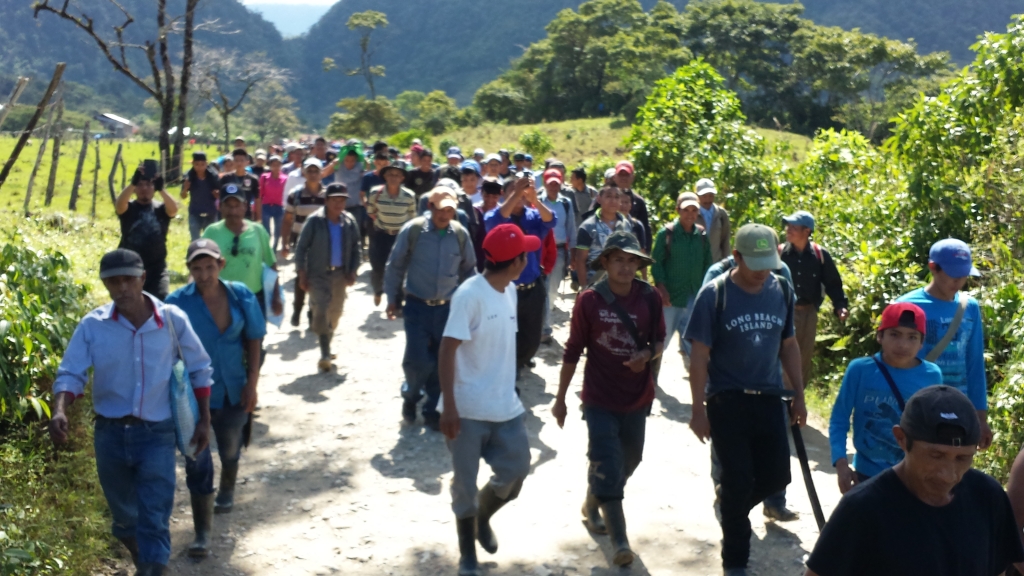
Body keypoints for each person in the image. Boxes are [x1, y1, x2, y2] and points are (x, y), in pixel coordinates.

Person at [49, 249, 214, 576]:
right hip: (109, 435)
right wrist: (59, 410)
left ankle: (153, 567)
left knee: (154, 515)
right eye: (113, 281)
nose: (122, 287)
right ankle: (144, 558)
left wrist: (205, 419)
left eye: (128, 279)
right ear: (106, 284)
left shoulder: (171, 320)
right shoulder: (93, 326)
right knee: (125, 519)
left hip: (157, 433)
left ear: (142, 279)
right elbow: (71, 372)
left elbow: (199, 369)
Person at [684, 223, 807, 576]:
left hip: (770, 397)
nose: (762, 271)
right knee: (739, 478)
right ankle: (735, 561)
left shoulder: (781, 289)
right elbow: (700, 355)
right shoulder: (715, 294)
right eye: (754, 263)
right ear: (735, 256)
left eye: (768, 262)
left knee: (775, 476)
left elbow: (789, 345)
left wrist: (798, 396)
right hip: (727, 399)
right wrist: (697, 409)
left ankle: (732, 503)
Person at [805, 385, 1024, 576]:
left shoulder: (988, 497)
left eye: (962, 458)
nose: (949, 474)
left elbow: (998, 571)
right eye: (936, 455)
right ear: (901, 439)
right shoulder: (862, 510)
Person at [554, 231, 665, 567]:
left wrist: (645, 356)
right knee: (607, 462)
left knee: (629, 462)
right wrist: (560, 398)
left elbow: (659, 341)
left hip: (637, 397)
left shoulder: (649, 298)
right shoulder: (589, 300)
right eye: (619, 259)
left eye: (632, 261)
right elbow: (573, 350)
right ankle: (619, 541)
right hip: (599, 398)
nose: (626, 267)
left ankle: (593, 501)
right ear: (605, 262)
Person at [438, 224, 535, 576]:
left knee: (517, 469)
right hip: (465, 410)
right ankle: (468, 557)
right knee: (464, 482)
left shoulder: (509, 291)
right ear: (515, 262)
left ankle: (482, 516)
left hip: (504, 405)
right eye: (525, 253)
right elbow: (447, 349)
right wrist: (449, 406)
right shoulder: (470, 295)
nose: (528, 257)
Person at [166, 240, 266, 559]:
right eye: (197, 267)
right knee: (197, 458)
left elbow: (254, 339)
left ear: (221, 265)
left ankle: (228, 488)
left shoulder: (240, 295)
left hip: (235, 388)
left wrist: (252, 382)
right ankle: (202, 533)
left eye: (210, 266)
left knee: (231, 447)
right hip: (194, 397)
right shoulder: (176, 304)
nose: (204, 273)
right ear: (190, 270)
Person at [384, 190, 477, 430]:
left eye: (450, 210)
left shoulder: (459, 234)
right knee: (416, 360)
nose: (445, 215)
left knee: (442, 361)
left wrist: (475, 304)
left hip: (448, 309)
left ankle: (433, 408)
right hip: (417, 307)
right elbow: (395, 265)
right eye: (441, 209)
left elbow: (469, 271)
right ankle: (411, 396)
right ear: (430, 207)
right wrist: (392, 297)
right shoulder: (414, 231)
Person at [829, 302, 941, 494]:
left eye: (912, 337)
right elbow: (839, 419)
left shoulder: (932, 375)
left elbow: (933, 429)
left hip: (910, 475)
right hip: (866, 474)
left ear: (922, 342)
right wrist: (841, 463)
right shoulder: (860, 370)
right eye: (894, 334)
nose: (903, 345)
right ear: (880, 336)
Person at [895, 238, 992, 449]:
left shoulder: (970, 307)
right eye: (953, 274)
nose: (958, 281)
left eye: (963, 274)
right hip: (916, 406)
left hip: (958, 406)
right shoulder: (906, 305)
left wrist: (981, 417)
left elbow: (975, 363)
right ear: (933, 268)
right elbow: (892, 361)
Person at [483, 175, 556, 376]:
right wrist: (515, 195)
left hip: (532, 286)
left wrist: (535, 199)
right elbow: (492, 222)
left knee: (532, 336)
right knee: (505, 333)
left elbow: (551, 221)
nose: (520, 197)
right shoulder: (496, 216)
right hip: (505, 288)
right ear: (505, 195)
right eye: (514, 192)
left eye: (523, 193)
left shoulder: (533, 215)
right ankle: (509, 369)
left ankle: (520, 361)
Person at [294, 183, 361, 372]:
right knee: (321, 310)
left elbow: (357, 248)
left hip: (340, 274)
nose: (338, 204)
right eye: (335, 200)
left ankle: (327, 345)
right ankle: (324, 353)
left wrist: (353, 270)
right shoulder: (314, 221)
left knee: (336, 312)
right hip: (318, 274)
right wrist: (302, 273)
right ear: (327, 201)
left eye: (342, 200)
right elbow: (301, 248)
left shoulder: (349, 222)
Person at [779, 210, 849, 387]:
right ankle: (783, 399)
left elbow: (833, 283)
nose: (788, 230)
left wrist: (840, 306)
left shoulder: (819, 255)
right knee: (784, 353)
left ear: (806, 231)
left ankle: (797, 399)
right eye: (788, 226)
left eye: (793, 227)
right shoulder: (780, 254)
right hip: (785, 312)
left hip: (810, 313)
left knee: (804, 356)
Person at [650, 192, 712, 377]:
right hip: (671, 296)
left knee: (694, 342)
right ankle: (651, 377)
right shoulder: (667, 234)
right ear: (678, 210)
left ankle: (701, 380)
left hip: (694, 296)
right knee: (662, 338)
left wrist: (706, 290)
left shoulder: (701, 235)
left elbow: (708, 264)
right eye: (686, 210)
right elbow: (656, 262)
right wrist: (661, 287)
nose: (690, 214)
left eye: (694, 210)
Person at [202, 183, 282, 321]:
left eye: (237, 205)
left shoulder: (258, 231)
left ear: (245, 206)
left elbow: (271, 264)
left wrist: (276, 296)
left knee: (256, 339)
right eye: (228, 206)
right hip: (222, 299)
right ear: (220, 206)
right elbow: (200, 264)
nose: (233, 211)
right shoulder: (211, 232)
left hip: (254, 298)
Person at [116, 163, 178, 300]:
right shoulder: (129, 208)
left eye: (149, 184)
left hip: (157, 268)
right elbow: (119, 205)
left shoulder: (161, 209)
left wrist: (162, 189)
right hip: (130, 266)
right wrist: (132, 183)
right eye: (140, 185)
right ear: (135, 189)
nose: (144, 188)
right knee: (131, 302)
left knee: (161, 299)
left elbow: (173, 210)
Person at [282, 159, 327, 326]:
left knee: (318, 278)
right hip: (301, 241)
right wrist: (285, 243)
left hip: (322, 243)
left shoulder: (328, 194)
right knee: (301, 274)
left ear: (321, 173)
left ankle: (311, 313)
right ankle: (297, 309)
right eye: (310, 171)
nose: (313, 174)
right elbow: (287, 219)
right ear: (304, 173)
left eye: (316, 171)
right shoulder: (296, 194)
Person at [366, 163, 417, 307]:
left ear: (402, 178)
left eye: (397, 175)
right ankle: (377, 290)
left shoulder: (409, 196)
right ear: (385, 177)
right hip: (381, 236)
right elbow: (371, 212)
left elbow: (412, 217)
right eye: (390, 174)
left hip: (400, 237)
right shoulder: (375, 193)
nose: (393, 178)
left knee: (399, 269)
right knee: (378, 268)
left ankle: (397, 302)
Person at [539, 168, 577, 344]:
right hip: (540, 250)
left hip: (560, 251)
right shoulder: (538, 201)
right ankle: (545, 328)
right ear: (545, 183)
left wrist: (574, 253)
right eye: (550, 183)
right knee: (543, 289)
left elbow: (571, 227)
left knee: (552, 290)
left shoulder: (566, 203)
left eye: (556, 183)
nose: (553, 186)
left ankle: (546, 316)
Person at [574, 186, 632, 290]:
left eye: (617, 197)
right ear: (599, 199)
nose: (613, 200)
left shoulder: (626, 224)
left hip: (622, 284)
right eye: (609, 196)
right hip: (596, 286)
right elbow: (580, 260)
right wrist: (584, 287)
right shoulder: (588, 226)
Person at [611, 161, 652, 250]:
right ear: (614, 177)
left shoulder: (639, 201)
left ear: (633, 177)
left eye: (626, 175)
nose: (623, 178)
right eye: (621, 175)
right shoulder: (604, 198)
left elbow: (645, 229)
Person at [181, 152, 220, 241]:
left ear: (206, 164)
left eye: (202, 164)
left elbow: (220, 194)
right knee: (195, 240)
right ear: (193, 164)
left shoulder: (213, 177)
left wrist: (217, 194)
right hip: (195, 213)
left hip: (211, 212)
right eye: (197, 164)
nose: (199, 167)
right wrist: (185, 188)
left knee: (212, 240)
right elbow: (183, 196)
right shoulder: (189, 177)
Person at [218, 148, 261, 222]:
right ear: (233, 162)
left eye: (242, 160)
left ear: (247, 162)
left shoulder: (253, 179)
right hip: (229, 215)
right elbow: (221, 199)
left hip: (247, 216)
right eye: (236, 160)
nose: (239, 163)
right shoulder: (226, 178)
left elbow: (257, 199)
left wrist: (258, 218)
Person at [694, 178, 732, 262]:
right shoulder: (692, 214)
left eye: (711, 195)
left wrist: (727, 262)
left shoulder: (721, 214)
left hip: (715, 263)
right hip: (695, 264)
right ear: (697, 196)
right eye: (704, 196)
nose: (708, 199)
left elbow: (725, 241)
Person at [259, 155, 288, 251]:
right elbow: (260, 194)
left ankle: (274, 249)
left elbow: (286, 194)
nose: (276, 167)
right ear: (270, 166)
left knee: (278, 231)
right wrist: (257, 208)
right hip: (266, 206)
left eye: (278, 165)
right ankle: (266, 249)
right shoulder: (264, 178)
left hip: (279, 207)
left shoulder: (285, 179)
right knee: (267, 231)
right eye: (273, 165)